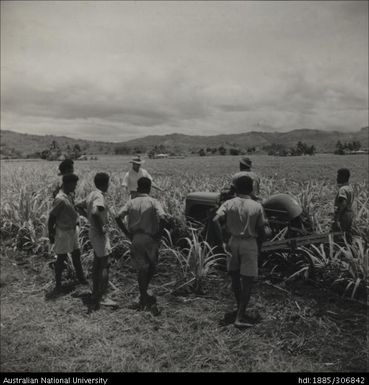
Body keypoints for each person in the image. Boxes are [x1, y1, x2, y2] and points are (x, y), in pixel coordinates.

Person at [213, 175, 266, 328]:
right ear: (251, 189)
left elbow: (215, 220)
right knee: (248, 281)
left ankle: (239, 309)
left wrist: (223, 240)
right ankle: (240, 317)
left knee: (235, 278)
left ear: (236, 188)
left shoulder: (228, 203)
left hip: (233, 242)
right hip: (249, 243)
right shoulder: (256, 206)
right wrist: (259, 246)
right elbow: (262, 230)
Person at [116, 177, 166, 315]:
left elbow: (117, 217)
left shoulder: (131, 202)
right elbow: (163, 217)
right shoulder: (153, 201)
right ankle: (144, 295)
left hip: (136, 239)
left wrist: (127, 233)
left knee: (142, 269)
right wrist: (159, 235)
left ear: (137, 188)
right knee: (152, 266)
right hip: (150, 239)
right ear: (149, 188)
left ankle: (143, 294)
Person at [77, 173, 117, 310]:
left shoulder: (91, 194)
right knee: (105, 265)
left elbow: (78, 206)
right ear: (106, 183)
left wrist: (88, 218)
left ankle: (95, 292)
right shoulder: (99, 195)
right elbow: (95, 212)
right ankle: (103, 296)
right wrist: (101, 227)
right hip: (98, 234)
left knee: (97, 263)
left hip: (93, 232)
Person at [47, 173, 87, 299]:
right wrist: (51, 233)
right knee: (61, 257)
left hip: (72, 230)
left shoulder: (68, 195)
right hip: (63, 232)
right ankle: (58, 285)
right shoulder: (60, 199)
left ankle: (81, 279)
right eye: (74, 185)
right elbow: (52, 217)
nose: (75, 187)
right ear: (67, 184)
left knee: (76, 253)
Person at [332, 168, 355, 242]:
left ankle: (340, 248)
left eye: (338, 176)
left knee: (339, 234)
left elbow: (343, 203)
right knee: (347, 232)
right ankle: (350, 247)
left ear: (343, 177)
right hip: (350, 214)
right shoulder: (350, 188)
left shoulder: (343, 189)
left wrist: (337, 216)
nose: (337, 178)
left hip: (343, 214)